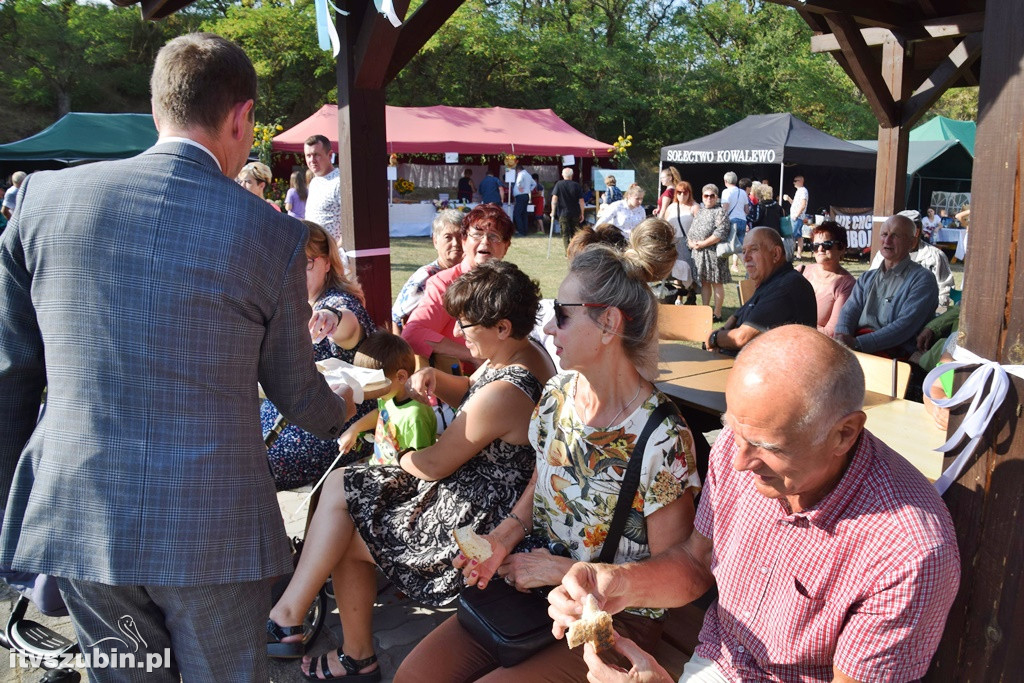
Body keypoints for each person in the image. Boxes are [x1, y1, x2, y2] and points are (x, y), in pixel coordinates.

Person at [0, 33, 356, 682]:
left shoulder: (41, 203)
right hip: (210, 529)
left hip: (82, 513)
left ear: (158, 106)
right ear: (241, 117)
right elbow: (294, 391)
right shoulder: (270, 233)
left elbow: (12, 375)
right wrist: (346, 409)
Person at [550, 325, 960, 683]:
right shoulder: (742, 442)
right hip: (719, 659)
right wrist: (618, 582)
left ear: (844, 434)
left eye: (766, 446)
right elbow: (696, 563)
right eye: (733, 429)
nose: (739, 461)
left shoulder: (910, 552)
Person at [395, 238, 701, 683]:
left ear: (608, 324)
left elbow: (679, 574)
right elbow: (544, 479)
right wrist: (502, 536)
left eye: (561, 314)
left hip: (613, 619)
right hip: (536, 587)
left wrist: (572, 574)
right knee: (413, 677)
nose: (549, 330)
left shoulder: (662, 437)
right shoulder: (558, 395)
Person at [266, 260, 556, 680]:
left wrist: (393, 450)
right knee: (344, 493)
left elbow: (434, 464)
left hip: (477, 521)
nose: (455, 334)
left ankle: (333, 643)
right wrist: (438, 378)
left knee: (347, 514)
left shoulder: (506, 390)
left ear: (503, 327)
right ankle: (306, 624)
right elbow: (477, 395)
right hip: (479, 493)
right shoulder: (526, 354)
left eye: (466, 325)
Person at [263, 220, 377, 490]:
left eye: (306, 263)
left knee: (254, 467)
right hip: (291, 414)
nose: (294, 271)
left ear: (327, 262)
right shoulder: (291, 303)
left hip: (334, 422)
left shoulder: (337, 302)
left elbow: (347, 324)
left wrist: (331, 318)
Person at [402, 204, 513, 368]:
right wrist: (472, 356)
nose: (485, 241)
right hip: (461, 381)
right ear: (464, 241)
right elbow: (413, 334)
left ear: (506, 247)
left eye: (494, 236)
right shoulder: (444, 284)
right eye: (477, 235)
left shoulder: (510, 283)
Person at [835, 214, 939, 357]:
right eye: (884, 234)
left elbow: (904, 327)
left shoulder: (923, 280)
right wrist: (842, 338)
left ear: (912, 243)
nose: (887, 240)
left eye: (896, 235)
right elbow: (848, 312)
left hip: (894, 357)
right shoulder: (867, 277)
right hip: (856, 350)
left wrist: (857, 343)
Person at [707, 228, 816, 353]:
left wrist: (714, 338)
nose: (746, 257)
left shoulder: (788, 286)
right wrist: (722, 333)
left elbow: (741, 338)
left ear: (775, 254)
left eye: (753, 249)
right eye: (743, 251)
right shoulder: (770, 281)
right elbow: (736, 316)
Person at [344, 331, 436, 466]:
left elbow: (421, 462)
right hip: (378, 465)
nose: (370, 389)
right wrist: (355, 428)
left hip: (396, 475)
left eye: (374, 383)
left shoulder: (415, 416)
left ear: (401, 377)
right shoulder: (387, 396)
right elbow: (381, 413)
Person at [391, 209, 464, 332]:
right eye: (448, 237)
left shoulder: (468, 274)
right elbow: (397, 319)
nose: (456, 243)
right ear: (435, 241)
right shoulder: (427, 275)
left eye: (460, 236)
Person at [869, 209, 955, 309]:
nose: (890, 239)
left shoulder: (934, 256)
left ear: (916, 232)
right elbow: (871, 286)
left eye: (898, 233)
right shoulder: (883, 254)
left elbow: (945, 291)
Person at [798, 222, 856, 338]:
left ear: (842, 248)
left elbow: (832, 333)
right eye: (815, 246)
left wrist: (794, 326)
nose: (820, 249)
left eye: (827, 245)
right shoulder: (801, 271)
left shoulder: (847, 285)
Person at [687, 183, 730, 322]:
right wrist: (690, 242)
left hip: (713, 253)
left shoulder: (720, 211)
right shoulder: (700, 210)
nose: (709, 199)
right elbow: (692, 230)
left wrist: (704, 243)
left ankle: (717, 313)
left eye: (712, 196)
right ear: (702, 196)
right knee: (704, 282)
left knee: (716, 282)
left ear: (716, 197)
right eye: (706, 196)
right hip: (699, 253)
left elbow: (720, 232)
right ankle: (706, 310)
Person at [663, 180, 699, 303]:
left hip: (688, 242)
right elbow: (665, 224)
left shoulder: (694, 207)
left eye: (685, 192)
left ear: (689, 193)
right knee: (676, 269)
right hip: (673, 242)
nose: (682, 195)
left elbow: (700, 227)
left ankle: (690, 294)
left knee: (689, 269)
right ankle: (678, 297)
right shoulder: (671, 207)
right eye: (679, 192)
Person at [304, 134, 343, 245]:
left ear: (330, 155)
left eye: (316, 155)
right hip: (315, 254)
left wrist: (335, 252)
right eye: (308, 155)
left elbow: (352, 223)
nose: (312, 160)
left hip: (333, 256)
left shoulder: (340, 182)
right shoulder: (314, 182)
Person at [550, 167, 585, 250]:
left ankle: (567, 252)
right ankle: (574, 250)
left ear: (562, 175)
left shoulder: (559, 184)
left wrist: (553, 211)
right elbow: (581, 201)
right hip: (575, 213)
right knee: (575, 233)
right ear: (572, 175)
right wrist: (582, 213)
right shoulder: (576, 185)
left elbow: (554, 199)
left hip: (563, 213)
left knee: (565, 234)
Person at [720, 171, 748, 273]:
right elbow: (746, 210)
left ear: (725, 181)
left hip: (731, 220)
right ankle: (746, 268)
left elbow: (725, 208)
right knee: (739, 247)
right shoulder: (743, 192)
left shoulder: (726, 192)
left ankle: (725, 269)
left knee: (726, 246)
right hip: (742, 220)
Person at [782, 175, 809, 258]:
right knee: (799, 237)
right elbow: (796, 204)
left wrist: (797, 215)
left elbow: (803, 204)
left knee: (791, 236)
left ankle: (789, 254)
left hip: (797, 217)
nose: (793, 183)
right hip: (796, 217)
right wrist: (789, 199)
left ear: (800, 181)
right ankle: (798, 255)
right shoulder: (799, 191)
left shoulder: (803, 191)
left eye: (795, 181)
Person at [512, 163, 536, 237]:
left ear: (518, 170)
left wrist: (520, 187)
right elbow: (534, 183)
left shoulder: (521, 174)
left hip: (520, 196)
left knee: (517, 214)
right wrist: (529, 189)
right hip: (526, 195)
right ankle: (525, 231)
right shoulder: (528, 175)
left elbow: (519, 182)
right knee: (524, 214)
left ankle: (521, 231)